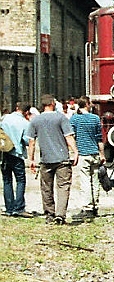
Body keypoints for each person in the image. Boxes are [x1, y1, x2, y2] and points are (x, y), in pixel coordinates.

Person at [25, 94, 79, 225]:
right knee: (63, 187)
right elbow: (69, 137)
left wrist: (31, 159)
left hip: (46, 160)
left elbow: (31, 142)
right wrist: (75, 152)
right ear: (52, 104)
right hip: (62, 159)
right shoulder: (61, 118)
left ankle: (49, 214)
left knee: (46, 188)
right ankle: (60, 215)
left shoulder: (35, 121)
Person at [69, 97, 104, 219]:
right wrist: (102, 154)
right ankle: (95, 205)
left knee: (85, 182)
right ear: (87, 105)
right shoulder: (95, 118)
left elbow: (71, 136)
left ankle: (88, 207)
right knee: (95, 180)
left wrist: (75, 152)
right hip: (94, 153)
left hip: (83, 154)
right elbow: (99, 139)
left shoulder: (74, 119)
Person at [1, 102, 34, 218]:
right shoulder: (25, 123)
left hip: (4, 153)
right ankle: (19, 208)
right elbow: (26, 141)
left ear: (16, 108)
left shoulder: (5, 118)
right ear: (26, 112)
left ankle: (9, 208)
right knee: (20, 180)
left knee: (6, 180)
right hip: (17, 153)